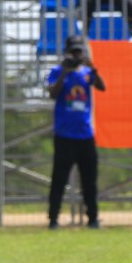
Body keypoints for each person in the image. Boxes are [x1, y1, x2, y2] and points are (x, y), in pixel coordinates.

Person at [46, 35, 105, 230]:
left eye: (79, 51)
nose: (76, 55)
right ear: (67, 52)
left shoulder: (87, 72)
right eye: (73, 52)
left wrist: (93, 67)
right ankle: (53, 219)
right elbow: (53, 93)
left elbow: (102, 87)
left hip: (85, 135)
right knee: (59, 180)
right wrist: (64, 71)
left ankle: (93, 219)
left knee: (90, 181)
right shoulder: (57, 71)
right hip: (64, 136)